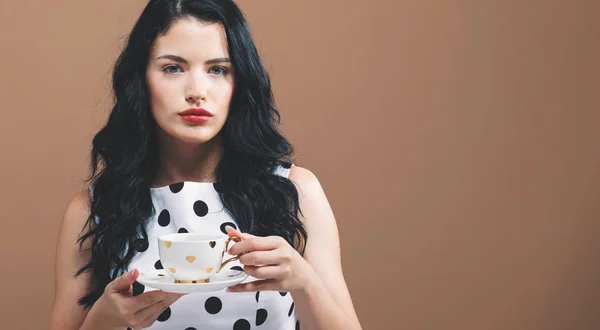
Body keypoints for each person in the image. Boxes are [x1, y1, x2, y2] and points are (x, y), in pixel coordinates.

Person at [50, 0, 362, 329]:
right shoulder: (92, 210)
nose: (197, 92)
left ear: (239, 83)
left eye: (218, 70)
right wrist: (102, 320)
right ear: (141, 80)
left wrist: (306, 283)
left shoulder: (295, 192)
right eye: (173, 68)